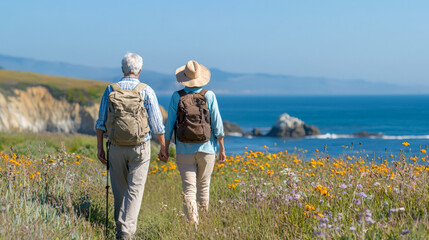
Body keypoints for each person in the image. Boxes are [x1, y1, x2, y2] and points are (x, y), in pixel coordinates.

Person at [96, 53, 166, 239]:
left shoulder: (110, 89)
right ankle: (126, 230)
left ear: (122, 69)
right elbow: (157, 124)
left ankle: (121, 228)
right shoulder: (146, 90)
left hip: (116, 146)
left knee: (119, 188)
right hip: (140, 147)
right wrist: (163, 146)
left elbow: (100, 123)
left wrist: (100, 148)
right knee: (135, 189)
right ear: (140, 70)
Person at [160, 60, 226, 226]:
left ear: (184, 78)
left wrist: (165, 148)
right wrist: (222, 148)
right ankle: (204, 226)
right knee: (203, 187)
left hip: (184, 150)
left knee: (189, 190)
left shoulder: (177, 96)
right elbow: (217, 123)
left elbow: (169, 125)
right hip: (207, 149)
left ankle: (192, 227)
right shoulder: (208, 95)